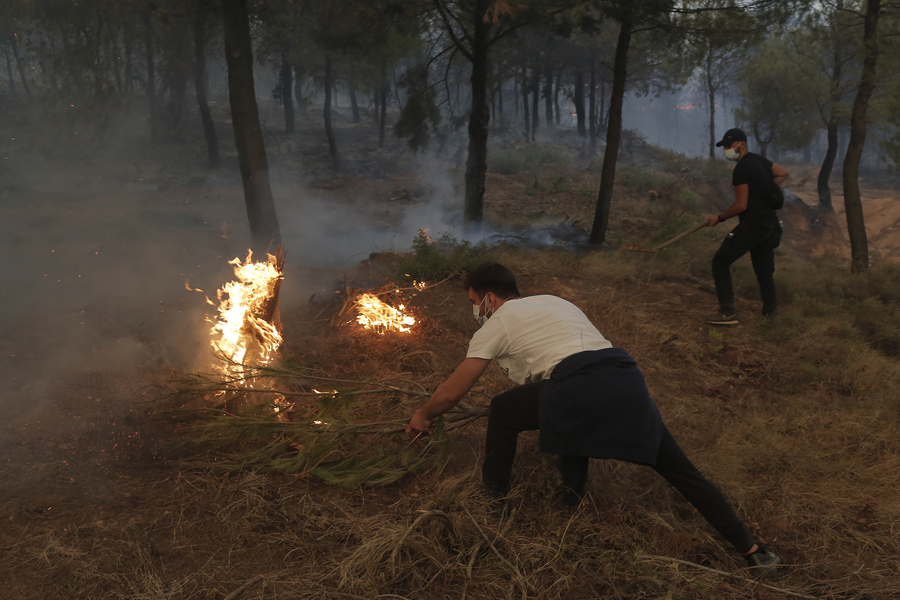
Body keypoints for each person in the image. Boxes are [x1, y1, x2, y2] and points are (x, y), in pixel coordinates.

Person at [406, 262, 782, 578]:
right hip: (624, 377)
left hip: (577, 384)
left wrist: (423, 414)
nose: (475, 310)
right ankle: (753, 550)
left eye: (473, 302)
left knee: (505, 410)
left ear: (488, 298)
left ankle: (493, 504)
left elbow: (452, 393)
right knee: (681, 471)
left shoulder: (497, 322)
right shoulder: (554, 301)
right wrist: (528, 402)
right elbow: (557, 366)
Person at [707, 128, 789, 326]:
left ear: (741, 144)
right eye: (724, 146)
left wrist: (719, 218)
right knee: (764, 272)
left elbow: (740, 205)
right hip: (770, 224)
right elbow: (782, 173)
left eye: (729, 145)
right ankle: (770, 317)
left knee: (720, 261)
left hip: (754, 224)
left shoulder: (742, 168)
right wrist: (766, 190)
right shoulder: (760, 161)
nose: (726, 149)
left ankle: (727, 313)